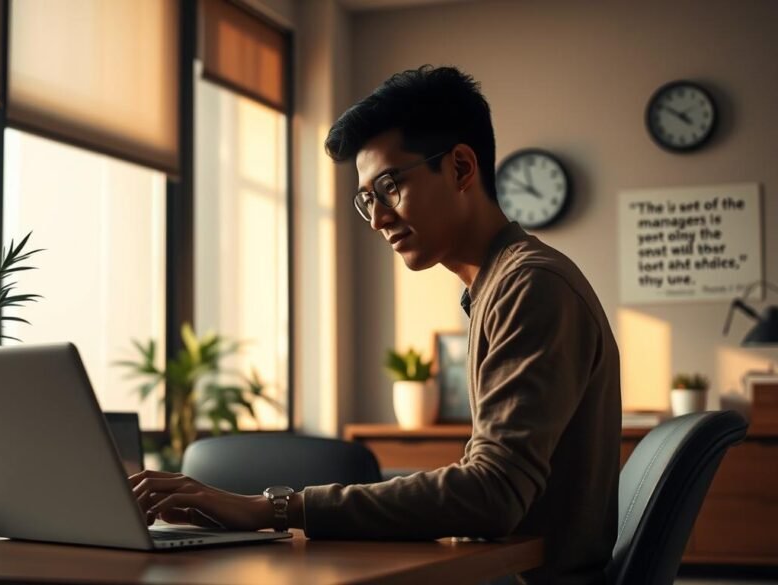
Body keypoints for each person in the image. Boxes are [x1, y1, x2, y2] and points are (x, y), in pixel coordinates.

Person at [130, 65, 621, 585]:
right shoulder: (496, 286)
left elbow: (492, 494)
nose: (378, 218)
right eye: (366, 199)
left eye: (389, 186)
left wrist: (270, 509)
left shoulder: (530, 285)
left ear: (459, 168)